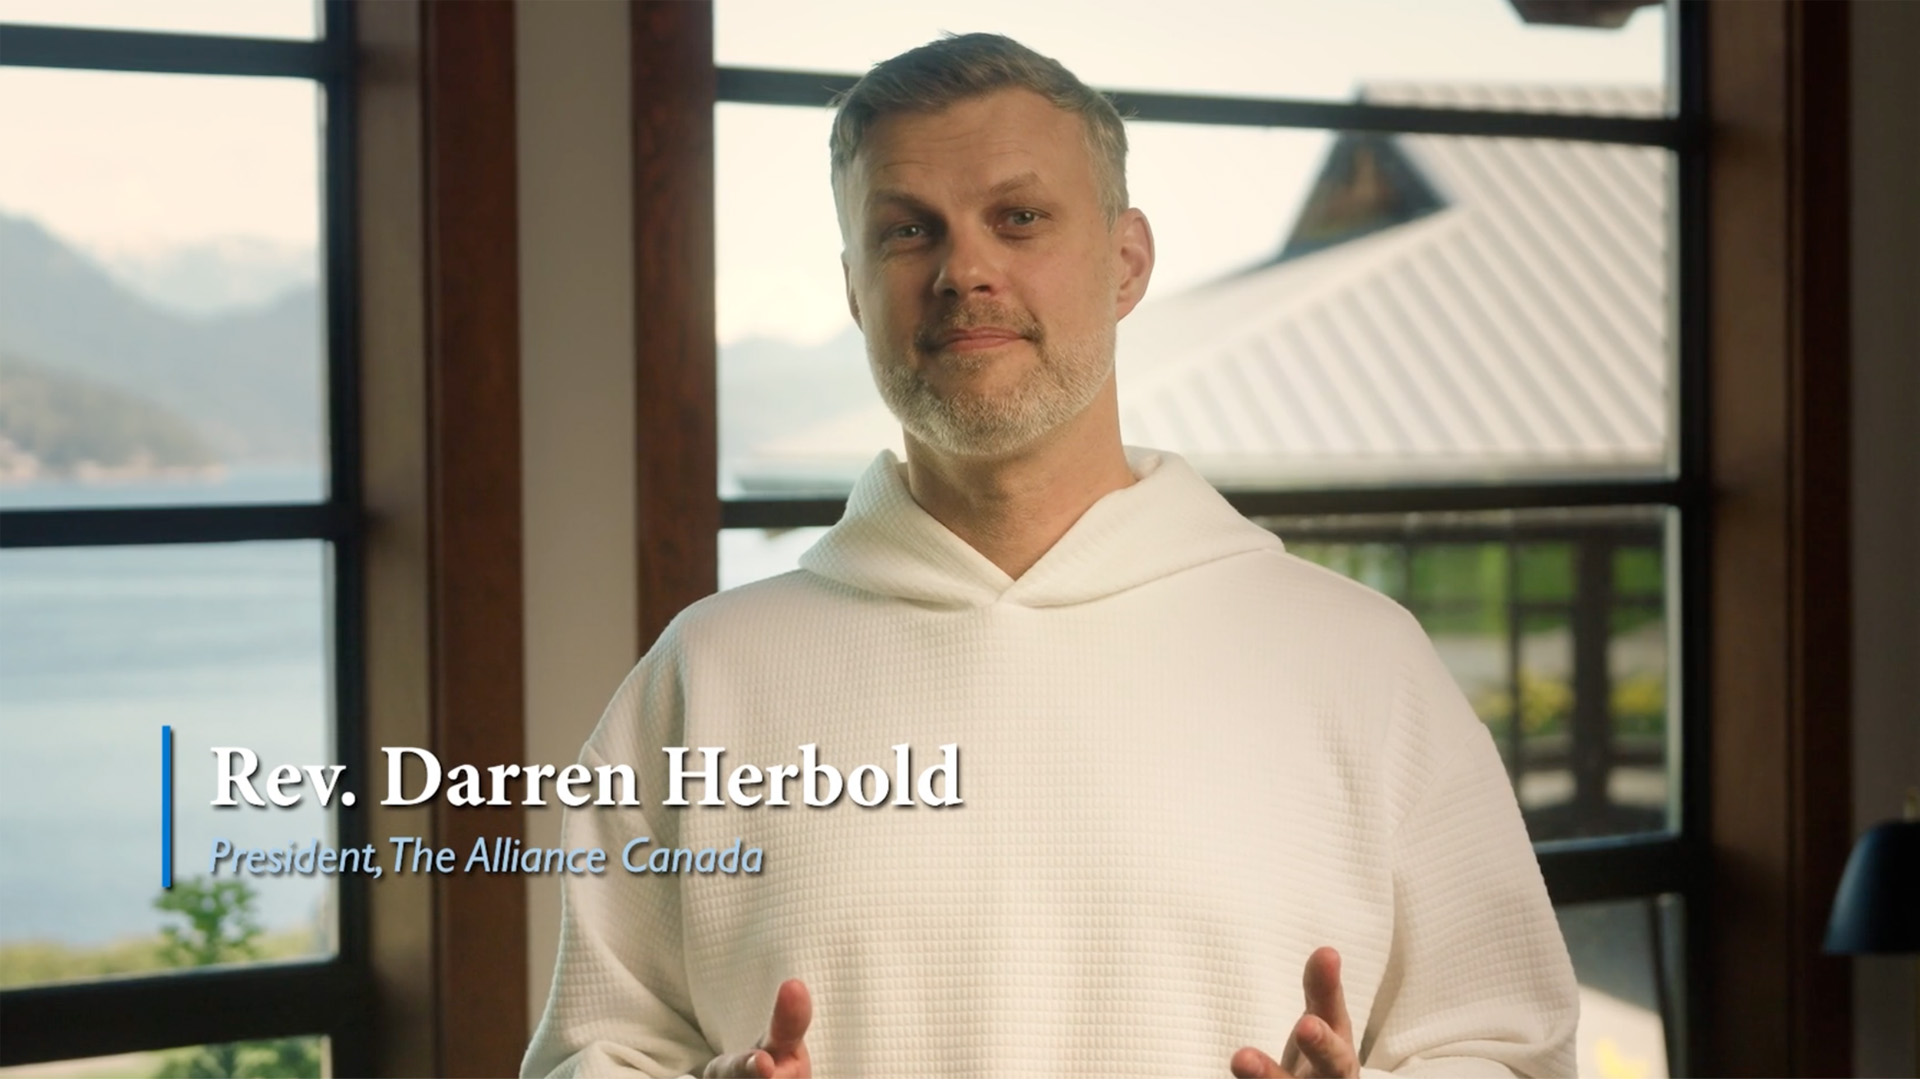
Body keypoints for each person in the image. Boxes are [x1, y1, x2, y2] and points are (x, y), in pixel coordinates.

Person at [523, 32, 1578, 1080]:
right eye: (905, 231)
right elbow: (594, 1054)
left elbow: (1513, 1053)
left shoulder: (1365, 666)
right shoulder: (702, 680)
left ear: (1127, 261)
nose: (963, 271)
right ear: (854, 288)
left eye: (1019, 218)